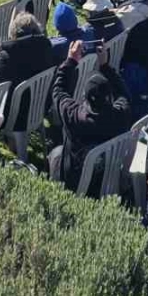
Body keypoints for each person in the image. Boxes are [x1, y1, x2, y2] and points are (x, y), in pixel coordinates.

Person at [48, 40, 132, 191]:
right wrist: (105, 65)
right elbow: (123, 93)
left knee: (56, 153)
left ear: (84, 96)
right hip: (105, 182)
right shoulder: (120, 115)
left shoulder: (73, 115)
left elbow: (58, 90)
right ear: (109, 96)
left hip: (73, 182)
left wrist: (71, 60)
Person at [0, 11, 56, 128]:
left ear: (13, 33)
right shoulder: (46, 48)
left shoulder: (7, 57)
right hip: (42, 107)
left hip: (14, 118)